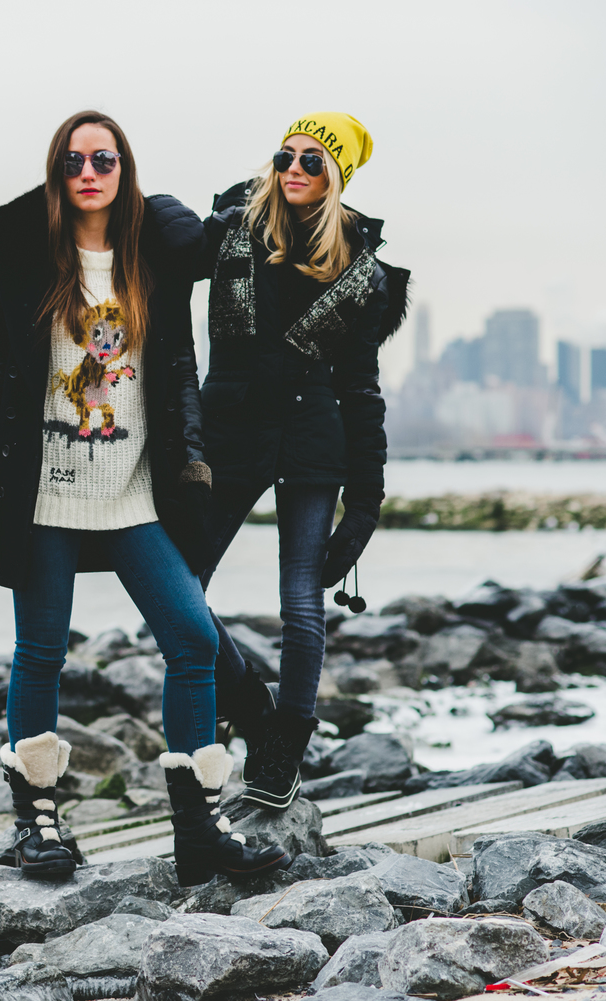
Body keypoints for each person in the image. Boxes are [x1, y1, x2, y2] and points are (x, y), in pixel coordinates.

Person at [0, 110, 289, 886]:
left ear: (122, 168)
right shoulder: (25, 257)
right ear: (56, 172)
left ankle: (199, 830)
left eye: (103, 159)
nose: (88, 173)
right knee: (41, 653)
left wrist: (195, 458)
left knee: (193, 639)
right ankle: (38, 821)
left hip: (136, 494)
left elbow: (178, 369)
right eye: (73, 161)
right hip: (46, 496)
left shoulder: (152, 257)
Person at [196, 114, 410, 809]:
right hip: (231, 432)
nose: (293, 168)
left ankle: (282, 751)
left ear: (336, 175)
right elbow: (164, 266)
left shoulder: (361, 272)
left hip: (312, 438)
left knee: (300, 603)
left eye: (313, 160)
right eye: (285, 154)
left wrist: (366, 505)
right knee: (179, 585)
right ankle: (252, 709)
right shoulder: (233, 229)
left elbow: (362, 391)